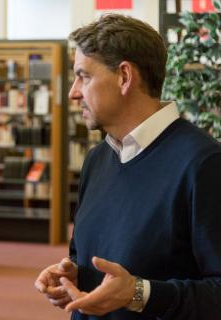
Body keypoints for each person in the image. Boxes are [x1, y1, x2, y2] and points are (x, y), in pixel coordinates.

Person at [35, 14, 221, 319]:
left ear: (124, 76)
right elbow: (83, 255)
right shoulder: (97, 160)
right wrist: (71, 274)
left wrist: (140, 293)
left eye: (84, 76)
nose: (73, 92)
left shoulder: (204, 164)